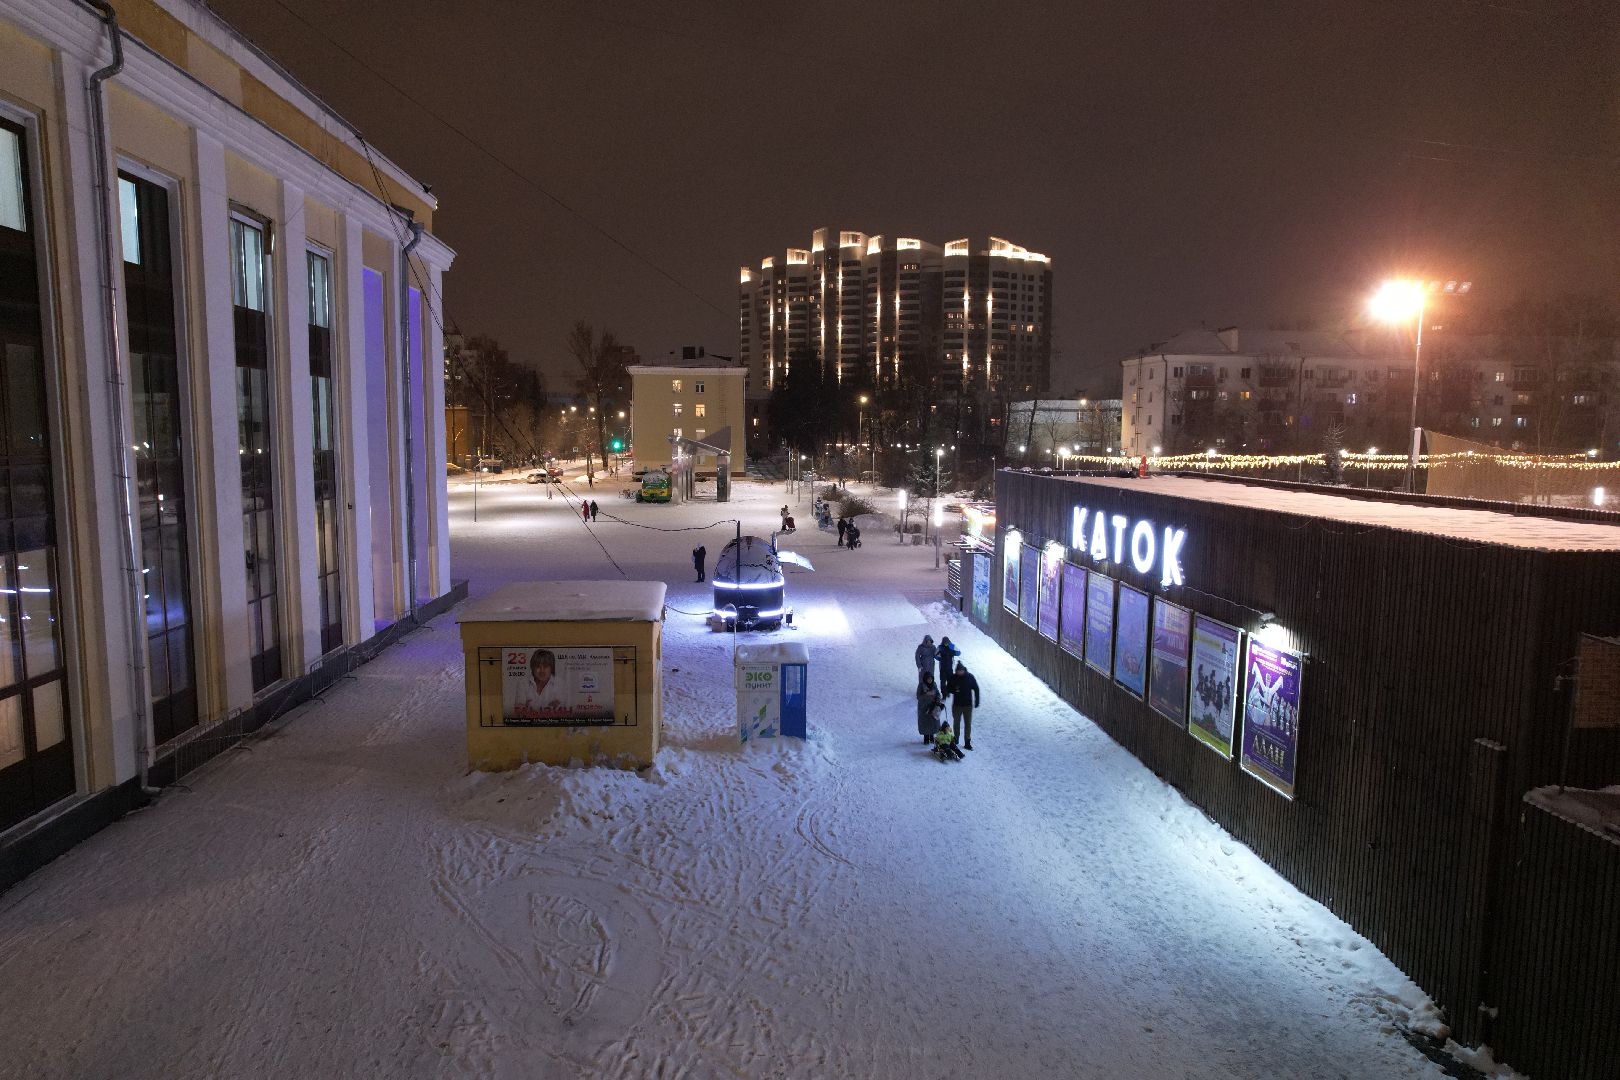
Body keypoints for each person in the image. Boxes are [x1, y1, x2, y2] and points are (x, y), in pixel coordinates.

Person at [510, 648, 568, 718]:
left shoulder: (560, 684)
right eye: (538, 667)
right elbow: (519, 712)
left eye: (545, 666)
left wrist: (530, 708)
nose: (542, 671)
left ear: (551, 668)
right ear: (532, 668)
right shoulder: (523, 683)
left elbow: (561, 713)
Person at [945, 661, 981, 750]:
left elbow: (976, 688)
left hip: (968, 705)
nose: (959, 673)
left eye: (960, 671)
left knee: (967, 723)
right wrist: (953, 691)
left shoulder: (970, 677)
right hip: (957, 705)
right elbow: (948, 687)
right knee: (956, 723)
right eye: (958, 671)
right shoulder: (953, 678)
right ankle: (956, 739)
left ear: (963, 670)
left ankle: (967, 742)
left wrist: (977, 700)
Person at [916, 670, 942, 745]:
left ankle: (932, 737)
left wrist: (938, 699)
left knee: (933, 722)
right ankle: (926, 738)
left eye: (931, 679)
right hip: (923, 708)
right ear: (925, 679)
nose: (930, 680)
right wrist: (927, 694)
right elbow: (918, 696)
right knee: (925, 723)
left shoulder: (934, 685)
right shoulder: (921, 685)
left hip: (933, 707)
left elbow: (938, 694)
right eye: (928, 679)